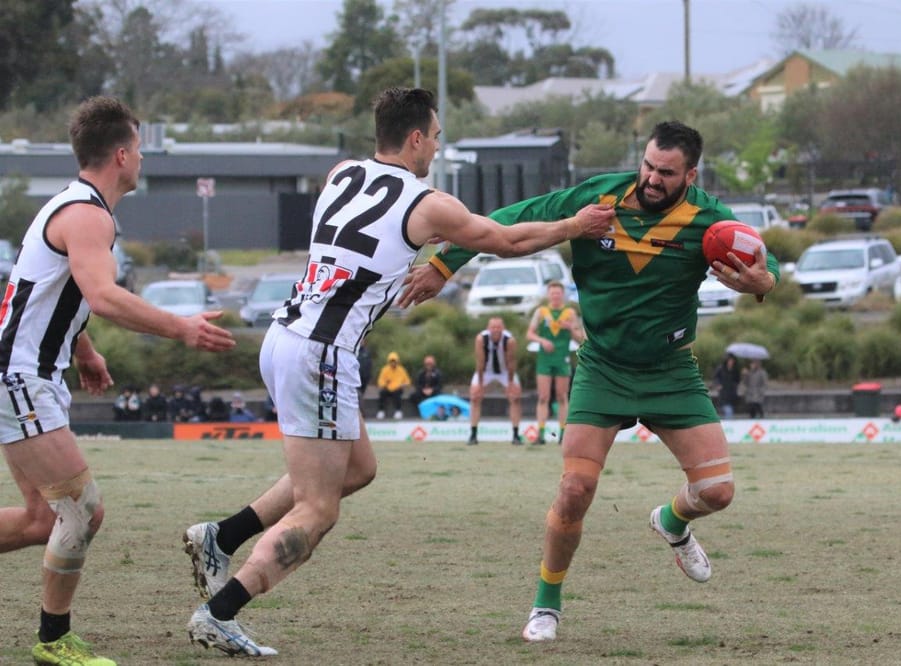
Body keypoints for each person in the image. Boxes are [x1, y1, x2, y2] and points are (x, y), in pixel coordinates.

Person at [182, 86, 613, 657]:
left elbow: (372, 239)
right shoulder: (426, 202)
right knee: (319, 507)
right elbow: (506, 241)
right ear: (415, 138)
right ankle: (220, 612)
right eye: (435, 137)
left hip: (286, 336)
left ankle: (223, 536)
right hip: (321, 353)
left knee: (357, 468)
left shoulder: (340, 174)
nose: (436, 147)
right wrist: (573, 227)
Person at [399, 119, 779, 642]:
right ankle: (546, 606)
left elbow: (761, 255)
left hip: (671, 370)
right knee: (575, 488)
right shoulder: (598, 198)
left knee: (717, 492)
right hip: (603, 367)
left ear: (690, 174)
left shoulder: (709, 220)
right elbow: (513, 219)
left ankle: (670, 521)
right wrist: (445, 264)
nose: (651, 178)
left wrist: (766, 279)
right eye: (647, 165)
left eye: (666, 172)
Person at [0, 95, 234, 666]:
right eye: (141, 150)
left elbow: (53, 289)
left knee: (41, 519)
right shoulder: (88, 214)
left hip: (30, 374)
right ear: (122, 154)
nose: (144, 160)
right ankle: (54, 641)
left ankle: (54, 638)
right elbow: (102, 295)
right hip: (20, 377)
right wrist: (180, 328)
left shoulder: (75, 207)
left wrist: (83, 349)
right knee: (83, 509)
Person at [526, 281, 583, 444]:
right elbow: (529, 334)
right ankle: (541, 434)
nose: (555, 296)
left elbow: (581, 339)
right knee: (543, 396)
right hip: (545, 358)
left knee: (562, 396)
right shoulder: (542, 312)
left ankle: (564, 434)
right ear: (548, 295)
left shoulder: (570, 313)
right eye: (552, 293)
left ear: (562, 295)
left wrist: (571, 328)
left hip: (562, 358)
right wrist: (542, 340)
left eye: (558, 293)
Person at [468, 317, 524, 446]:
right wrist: (481, 384)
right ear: (488, 328)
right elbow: (480, 362)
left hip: (505, 371)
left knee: (515, 397)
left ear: (503, 328)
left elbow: (511, 362)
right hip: (486, 370)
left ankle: (516, 434)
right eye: (493, 327)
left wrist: (510, 383)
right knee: (475, 396)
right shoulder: (481, 339)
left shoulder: (509, 340)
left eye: (498, 327)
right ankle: (473, 434)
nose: (496, 330)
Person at [376, 351, 411, 420]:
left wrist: (403, 385)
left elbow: (408, 381)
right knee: (382, 393)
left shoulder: (401, 370)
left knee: (397, 394)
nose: (393, 363)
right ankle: (381, 411)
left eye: (394, 361)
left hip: (397, 388)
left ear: (397, 361)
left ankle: (398, 411)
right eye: (391, 361)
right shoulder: (385, 369)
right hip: (387, 388)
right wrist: (384, 384)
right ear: (388, 361)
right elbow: (380, 381)